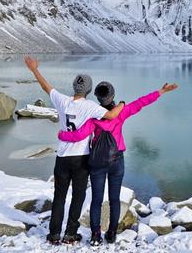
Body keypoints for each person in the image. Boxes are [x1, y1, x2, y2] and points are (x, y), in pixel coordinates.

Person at [58, 80, 179, 246]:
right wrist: (161, 91)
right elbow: (141, 102)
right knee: (114, 199)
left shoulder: (93, 116)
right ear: (112, 96)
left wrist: (62, 135)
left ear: (98, 98)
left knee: (96, 200)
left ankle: (95, 235)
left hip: (97, 163)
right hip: (116, 161)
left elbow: (79, 135)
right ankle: (112, 233)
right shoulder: (121, 112)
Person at [23, 55, 125, 246]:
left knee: (59, 196)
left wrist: (34, 69)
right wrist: (122, 104)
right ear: (89, 90)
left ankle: (54, 234)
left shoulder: (61, 100)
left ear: (74, 86)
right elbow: (112, 116)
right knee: (78, 196)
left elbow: (46, 87)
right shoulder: (90, 106)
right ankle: (70, 233)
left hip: (62, 157)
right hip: (81, 158)